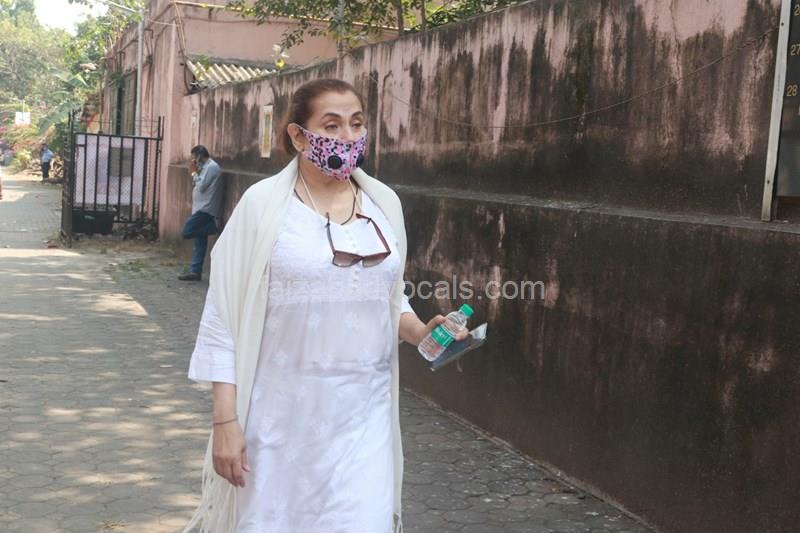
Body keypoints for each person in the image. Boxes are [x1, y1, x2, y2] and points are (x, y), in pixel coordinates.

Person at [183, 79, 467, 533]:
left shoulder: (383, 204)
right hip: (278, 423)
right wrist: (225, 420)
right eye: (331, 126)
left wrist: (420, 331)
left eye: (356, 123)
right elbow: (223, 317)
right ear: (298, 136)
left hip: (364, 418)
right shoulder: (263, 207)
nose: (347, 137)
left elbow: (386, 295)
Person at [179, 145, 223, 281]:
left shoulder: (212, 167)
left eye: (194, 157)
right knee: (199, 244)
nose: (193, 160)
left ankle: (212, 228)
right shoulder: (204, 168)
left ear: (199, 156)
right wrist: (196, 171)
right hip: (199, 208)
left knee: (186, 231)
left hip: (206, 208)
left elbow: (202, 186)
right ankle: (195, 272)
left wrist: (193, 173)